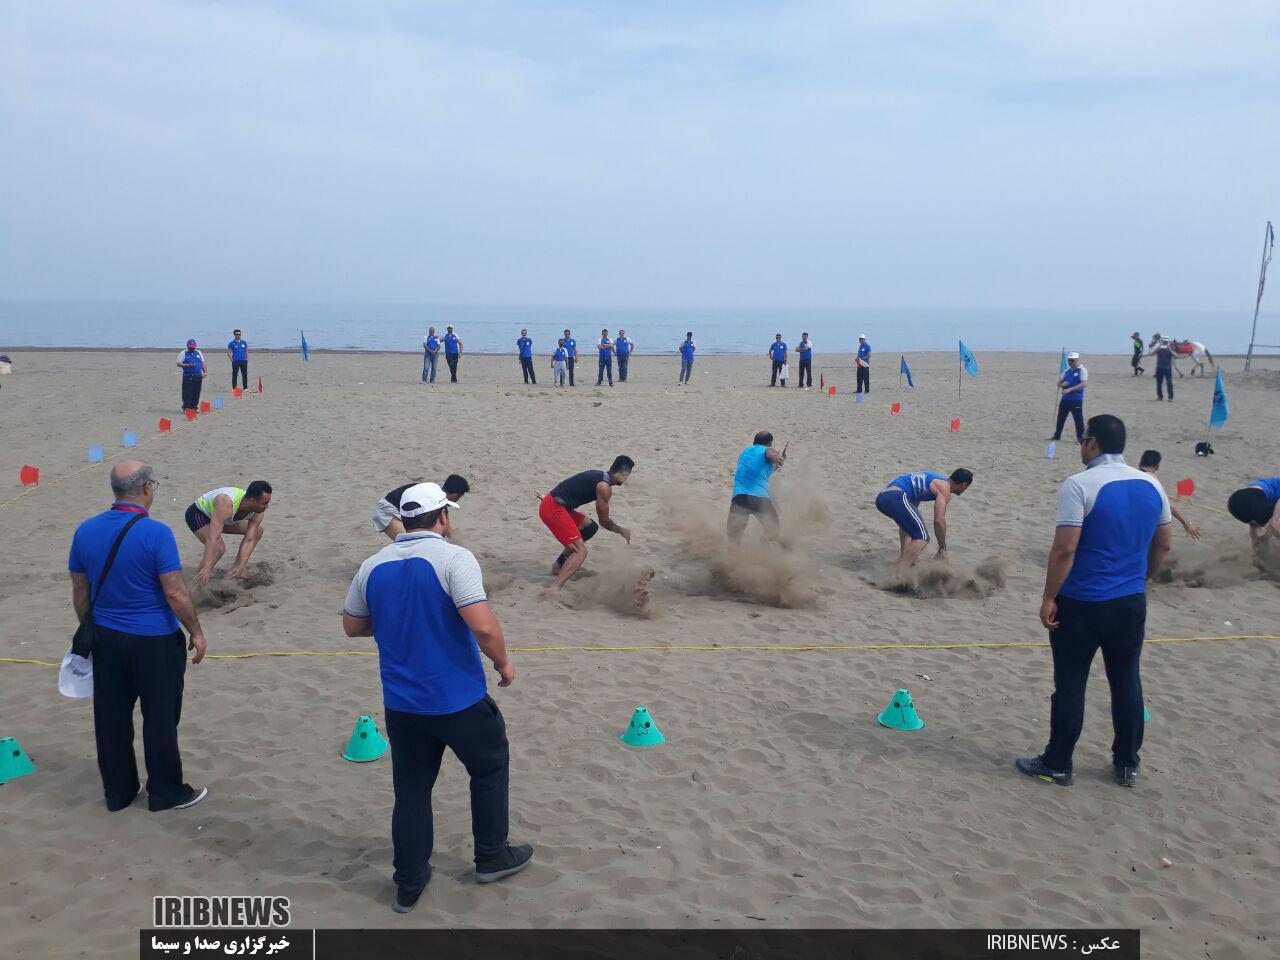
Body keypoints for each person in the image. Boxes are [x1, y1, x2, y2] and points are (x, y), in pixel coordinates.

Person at [342, 482, 532, 913]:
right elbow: (483, 626)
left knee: (411, 791)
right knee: (489, 768)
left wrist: (398, 621)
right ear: (443, 517)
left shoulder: (372, 564)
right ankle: (491, 856)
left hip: (403, 707)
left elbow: (353, 626)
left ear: (405, 519)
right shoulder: (453, 558)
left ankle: (409, 882)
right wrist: (504, 663)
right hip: (458, 700)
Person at [1016, 414, 1172, 789]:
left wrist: (1048, 596)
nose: (1081, 447)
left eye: (1082, 440)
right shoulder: (1152, 483)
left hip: (1082, 603)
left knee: (1071, 683)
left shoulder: (1079, 483)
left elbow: (1064, 549)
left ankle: (1057, 762)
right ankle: (1127, 763)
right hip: (1130, 602)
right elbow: (1164, 544)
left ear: (1093, 442)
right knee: (1127, 680)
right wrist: (1143, 579)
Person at [69, 461, 209, 812]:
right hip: (154, 640)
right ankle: (165, 791)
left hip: (106, 637)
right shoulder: (156, 533)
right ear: (147, 488)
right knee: (160, 717)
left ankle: (118, 792)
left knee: (111, 717)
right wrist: (195, 631)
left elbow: (80, 590)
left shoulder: (85, 530)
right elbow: (174, 591)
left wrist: (90, 628)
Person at [539, 457, 634, 592]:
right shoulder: (604, 487)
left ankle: (559, 566)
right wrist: (621, 531)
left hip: (554, 503)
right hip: (553, 508)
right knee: (581, 552)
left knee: (590, 528)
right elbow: (604, 521)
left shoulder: (599, 475)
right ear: (621, 473)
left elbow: (568, 487)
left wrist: (548, 498)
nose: (627, 478)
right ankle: (554, 589)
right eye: (627, 474)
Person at [874, 468, 973, 577]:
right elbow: (939, 520)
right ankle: (899, 576)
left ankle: (905, 561)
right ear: (964, 485)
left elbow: (907, 523)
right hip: (895, 497)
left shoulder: (930, 481)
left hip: (882, 499)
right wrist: (942, 549)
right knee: (922, 537)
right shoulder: (944, 487)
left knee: (911, 528)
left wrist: (910, 557)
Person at [186, 481, 273, 585]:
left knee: (257, 531)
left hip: (222, 518)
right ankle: (197, 583)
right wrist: (207, 567)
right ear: (252, 500)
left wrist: (241, 565)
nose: (267, 506)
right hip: (199, 515)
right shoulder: (226, 503)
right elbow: (213, 537)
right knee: (218, 549)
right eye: (265, 503)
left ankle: (233, 574)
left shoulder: (258, 512)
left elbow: (249, 539)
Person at [727, 432, 786, 543]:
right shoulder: (767, 450)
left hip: (739, 498)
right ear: (770, 443)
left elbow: (763, 474)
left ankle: (733, 555)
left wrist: (778, 462)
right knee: (773, 530)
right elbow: (769, 452)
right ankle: (764, 545)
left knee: (733, 539)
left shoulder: (745, 452)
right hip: (759, 499)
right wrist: (777, 457)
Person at [373, 475, 471, 540]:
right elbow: (446, 529)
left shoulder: (436, 498)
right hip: (386, 510)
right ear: (455, 495)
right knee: (413, 543)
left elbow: (447, 529)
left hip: (399, 512)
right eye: (459, 497)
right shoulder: (432, 499)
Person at [1137, 451, 1201, 539]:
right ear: (1157, 466)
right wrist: (1188, 523)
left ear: (1140, 463)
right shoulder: (1153, 479)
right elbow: (1169, 507)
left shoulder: (1131, 474)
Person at [1226, 478, 1280, 545]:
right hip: (1252, 500)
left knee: (1255, 526)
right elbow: (1274, 522)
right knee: (1273, 524)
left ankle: (1257, 546)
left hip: (1234, 501)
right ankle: (1260, 543)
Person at [1050, 352, 1088, 444]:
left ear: (1077, 360)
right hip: (1065, 399)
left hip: (1076, 399)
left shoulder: (1082, 370)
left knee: (1078, 420)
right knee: (1061, 418)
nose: (1070, 362)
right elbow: (1062, 382)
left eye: (1072, 360)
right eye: (1069, 360)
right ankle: (1057, 435)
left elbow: (1084, 384)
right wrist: (1060, 383)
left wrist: (1070, 389)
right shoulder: (1067, 371)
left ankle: (1081, 438)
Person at [176, 339, 206, 412]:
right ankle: (186, 408)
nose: (192, 348)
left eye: (193, 347)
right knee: (187, 393)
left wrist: (205, 372)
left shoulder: (198, 352)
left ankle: (194, 408)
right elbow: (178, 363)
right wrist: (187, 365)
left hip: (198, 376)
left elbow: (202, 363)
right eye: (191, 347)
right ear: (187, 346)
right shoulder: (183, 353)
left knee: (196, 393)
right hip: (188, 376)